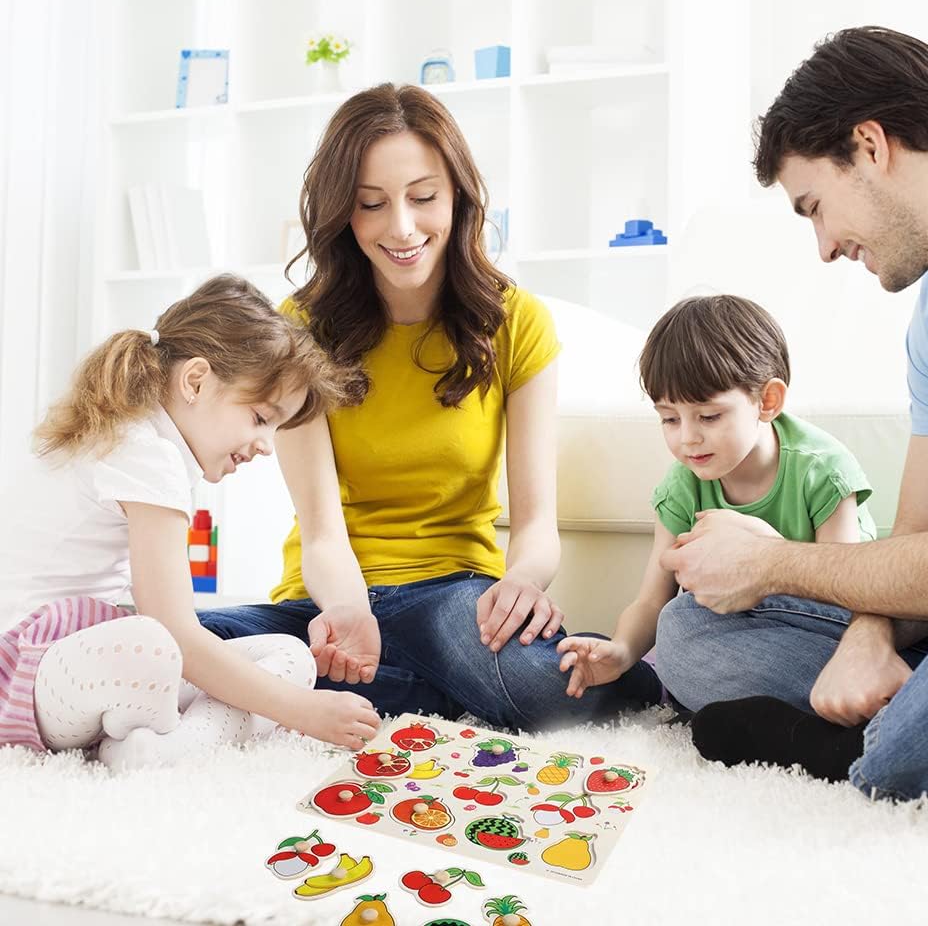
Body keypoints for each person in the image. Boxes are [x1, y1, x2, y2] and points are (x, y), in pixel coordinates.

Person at [197, 83, 661, 730]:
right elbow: (322, 531)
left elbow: (535, 525)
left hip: (452, 600)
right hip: (329, 602)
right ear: (343, 212)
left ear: (458, 198)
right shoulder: (299, 328)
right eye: (371, 204)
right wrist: (350, 610)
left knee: (539, 687)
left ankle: (356, 686)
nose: (403, 228)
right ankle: (423, 688)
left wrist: (523, 583)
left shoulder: (515, 321)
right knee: (177, 643)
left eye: (423, 198)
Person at [658, 26, 928, 801]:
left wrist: (774, 562)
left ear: (870, 146)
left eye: (815, 206)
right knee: (690, 634)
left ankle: (872, 755)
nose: (823, 247)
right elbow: (922, 537)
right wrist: (868, 638)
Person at [0, 275, 380, 770]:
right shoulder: (144, 452)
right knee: (157, 645)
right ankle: (166, 741)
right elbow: (174, 630)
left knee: (289, 654)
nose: (266, 446)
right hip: (24, 672)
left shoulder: (145, 441)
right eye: (262, 419)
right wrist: (304, 711)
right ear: (195, 380)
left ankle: (155, 750)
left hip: (78, 666)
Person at [557, 294, 876, 701]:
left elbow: (846, 594)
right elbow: (653, 600)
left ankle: (820, 702)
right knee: (677, 629)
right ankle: (796, 711)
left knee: (684, 639)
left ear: (767, 401)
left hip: (834, 631)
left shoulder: (822, 470)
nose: (687, 437)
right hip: (747, 637)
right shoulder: (682, 487)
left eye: (708, 416)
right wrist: (620, 652)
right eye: (669, 419)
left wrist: (763, 550)